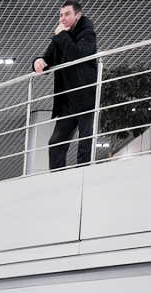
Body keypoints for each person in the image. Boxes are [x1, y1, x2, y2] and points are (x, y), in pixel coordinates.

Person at [34, 1, 99, 171]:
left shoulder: (88, 34)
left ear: (78, 15)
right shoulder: (60, 37)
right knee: (56, 142)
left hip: (86, 98)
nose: (62, 18)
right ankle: (58, 178)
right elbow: (48, 58)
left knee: (85, 142)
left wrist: (62, 35)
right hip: (68, 101)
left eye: (67, 14)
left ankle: (83, 177)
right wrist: (38, 62)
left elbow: (76, 54)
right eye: (60, 15)